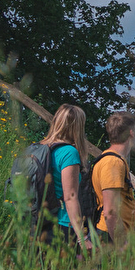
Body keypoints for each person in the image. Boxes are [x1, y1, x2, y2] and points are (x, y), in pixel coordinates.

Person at [41, 103, 95, 255]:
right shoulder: (68, 153)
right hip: (61, 224)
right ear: (76, 128)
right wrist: (82, 237)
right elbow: (70, 197)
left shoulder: (42, 148)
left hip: (38, 222)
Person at [94, 111, 135, 246]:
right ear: (131, 132)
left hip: (112, 233)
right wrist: (122, 245)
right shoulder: (112, 163)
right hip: (110, 236)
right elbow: (110, 211)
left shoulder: (109, 158)